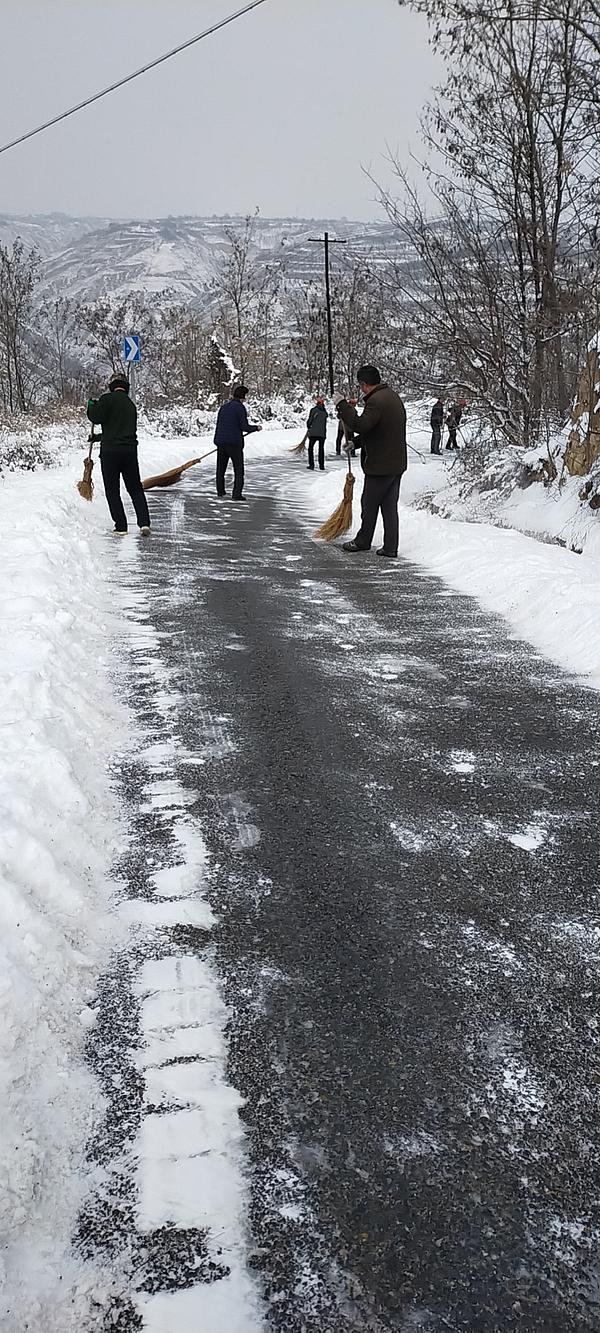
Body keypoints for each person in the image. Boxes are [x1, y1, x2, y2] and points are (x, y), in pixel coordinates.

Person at [336, 365, 407, 559]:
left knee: (369, 503)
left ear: (364, 384)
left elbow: (362, 425)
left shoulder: (376, 401)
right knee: (388, 507)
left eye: (360, 386)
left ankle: (363, 541)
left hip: (381, 465)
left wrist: (343, 406)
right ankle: (390, 546)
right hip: (396, 463)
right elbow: (379, 431)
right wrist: (355, 443)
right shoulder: (391, 396)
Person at [87, 373, 150, 535]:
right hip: (129, 451)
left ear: (112, 386)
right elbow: (121, 430)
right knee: (135, 487)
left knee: (112, 490)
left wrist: (91, 405)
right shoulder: (130, 405)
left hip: (110, 453)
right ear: (126, 387)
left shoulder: (107, 399)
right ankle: (144, 523)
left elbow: (95, 417)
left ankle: (121, 526)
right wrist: (98, 437)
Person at [214, 384, 262, 500]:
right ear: (243, 397)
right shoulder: (240, 408)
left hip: (220, 441)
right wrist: (256, 428)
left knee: (221, 469)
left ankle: (220, 491)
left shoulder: (224, 407)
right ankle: (237, 494)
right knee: (238, 469)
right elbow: (244, 426)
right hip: (234, 443)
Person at [306, 396, 328, 471]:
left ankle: (311, 464)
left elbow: (310, 420)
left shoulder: (313, 410)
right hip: (322, 433)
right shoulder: (325, 412)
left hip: (313, 433)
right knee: (321, 449)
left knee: (310, 448)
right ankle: (321, 465)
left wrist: (308, 426)